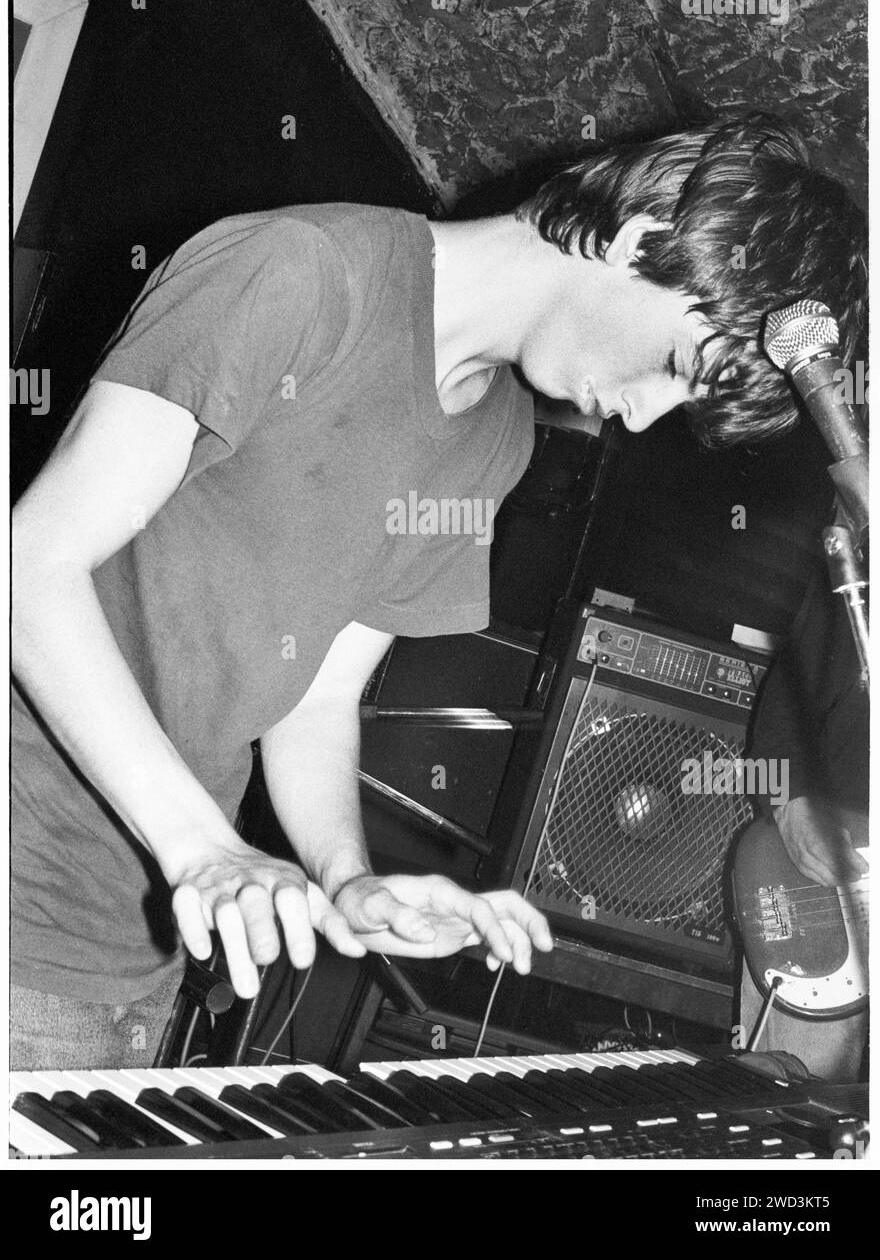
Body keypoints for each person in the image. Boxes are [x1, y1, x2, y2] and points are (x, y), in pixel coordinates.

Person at [11, 111, 867, 1071]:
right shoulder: (303, 275)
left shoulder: (499, 434)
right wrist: (206, 848)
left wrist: (348, 879)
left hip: (143, 946)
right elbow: (30, 567)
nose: (643, 413)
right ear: (639, 242)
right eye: (676, 368)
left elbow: (320, 696)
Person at [737, 566, 869, 1082]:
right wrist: (791, 801)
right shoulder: (864, 558)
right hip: (836, 880)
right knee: (785, 1112)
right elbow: (790, 699)